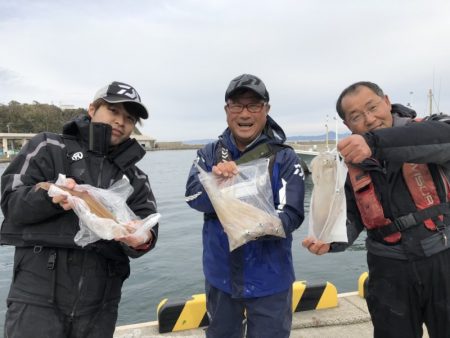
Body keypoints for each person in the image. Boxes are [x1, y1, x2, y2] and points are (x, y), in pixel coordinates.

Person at [1, 81, 159, 338]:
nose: (120, 121)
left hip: (101, 303)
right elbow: (11, 202)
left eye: (129, 118)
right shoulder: (48, 146)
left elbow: (148, 226)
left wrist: (141, 238)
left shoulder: (135, 177)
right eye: (113, 111)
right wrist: (49, 195)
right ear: (92, 109)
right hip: (37, 296)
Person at [302, 81, 450, 338]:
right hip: (387, 269)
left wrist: (374, 142)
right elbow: (349, 216)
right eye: (357, 117)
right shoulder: (349, 164)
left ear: (387, 101)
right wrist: (330, 240)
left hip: (443, 255)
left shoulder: (433, 128)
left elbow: (442, 139)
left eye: (372, 107)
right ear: (348, 126)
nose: (369, 119)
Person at [185, 74, 305, 338]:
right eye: (237, 105)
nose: (245, 113)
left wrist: (255, 225)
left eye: (254, 105)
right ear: (227, 111)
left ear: (266, 110)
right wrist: (216, 184)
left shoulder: (285, 157)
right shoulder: (209, 154)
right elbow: (193, 199)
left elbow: (292, 214)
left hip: (271, 277)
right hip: (221, 276)